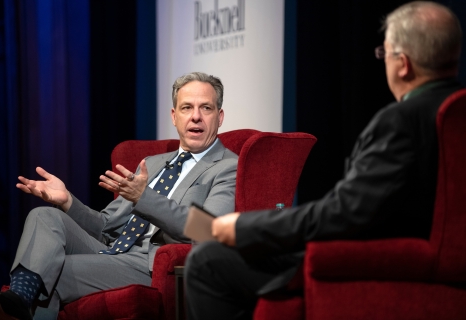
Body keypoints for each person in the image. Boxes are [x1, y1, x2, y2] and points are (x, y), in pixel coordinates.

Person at [184, 2, 463, 319]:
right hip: (420, 258)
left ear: (403, 64)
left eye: (383, 54)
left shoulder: (401, 120)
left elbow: (344, 214)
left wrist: (245, 225)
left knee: (207, 261)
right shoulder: (454, 114)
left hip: (369, 258)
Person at [0, 72, 238, 320]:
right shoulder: (153, 163)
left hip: (150, 263)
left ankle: (14, 306)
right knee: (44, 215)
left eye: (205, 108)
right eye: (186, 108)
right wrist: (67, 201)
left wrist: (144, 198)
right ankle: (17, 302)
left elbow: (209, 229)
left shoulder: (227, 166)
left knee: (48, 270)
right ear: (174, 116)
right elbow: (106, 228)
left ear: (220, 116)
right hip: (113, 251)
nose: (195, 117)